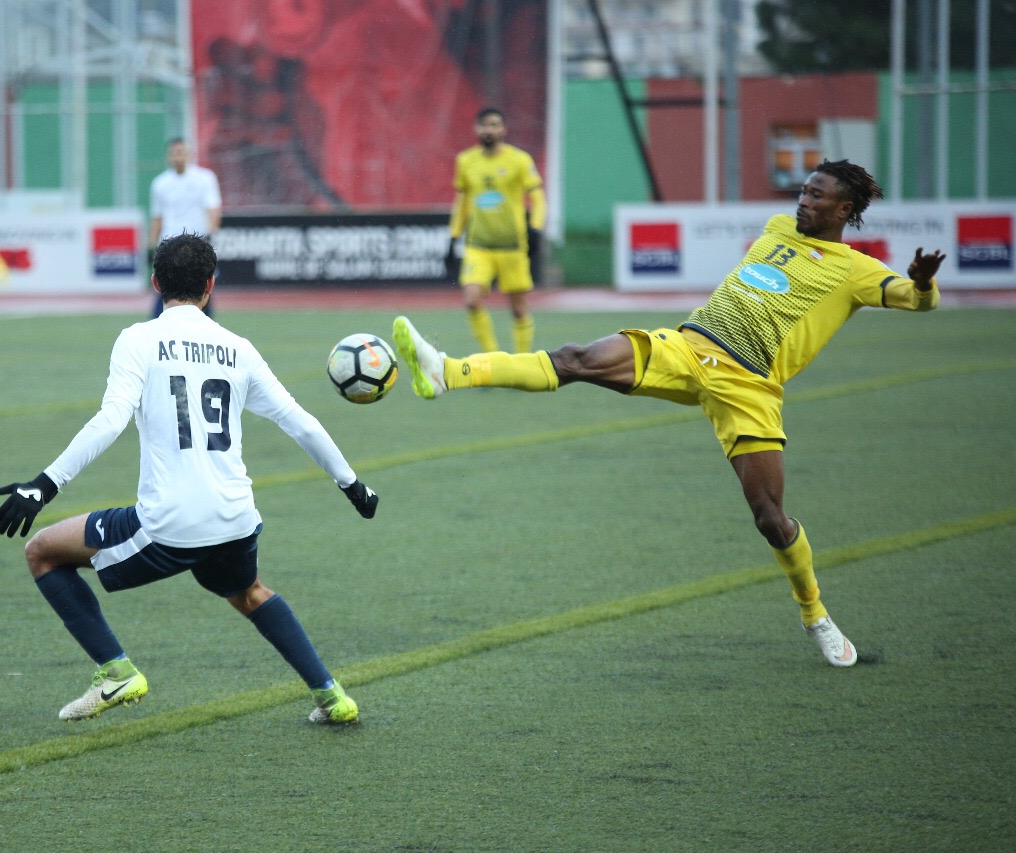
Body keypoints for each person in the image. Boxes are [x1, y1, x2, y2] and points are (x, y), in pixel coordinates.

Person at [395, 160, 947, 668]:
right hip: (688, 346)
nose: (803, 201)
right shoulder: (779, 229)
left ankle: (815, 615)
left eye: (817, 196)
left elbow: (917, 301)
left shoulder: (856, 270)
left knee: (771, 520)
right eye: (803, 190)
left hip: (748, 386)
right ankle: (447, 372)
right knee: (577, 358)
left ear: (844, 210)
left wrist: (921, 282)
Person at [0, 232, 378, 723]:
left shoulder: (138, 339)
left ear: (155, 282)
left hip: (167, 525)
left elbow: (111, 419)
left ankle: (117, 672)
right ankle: (332, 696)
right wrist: (352, 485)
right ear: (210, 286)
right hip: (236, 521)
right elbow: (298, 420)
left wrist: (43, 485)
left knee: (42, 552)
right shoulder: (237, 347)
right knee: (248, 591)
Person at [445, 106, 547, 355]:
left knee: (519, 310)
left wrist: (535, 228)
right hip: (478, 246)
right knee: (471, 301)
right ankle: (492, 357)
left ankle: (523, 362)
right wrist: (453, 237)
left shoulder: (519, 160)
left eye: (493, 125)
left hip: (512, 246)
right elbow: (462, 203)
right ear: (476, 129)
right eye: (483, 125)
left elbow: (538, 199)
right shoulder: (466, 161)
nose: (488, 129)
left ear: (503, 129)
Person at [147, 138, 222, 317]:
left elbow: (214, 210)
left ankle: (206, 331)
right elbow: (157, 218)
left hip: (197, 244)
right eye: (174, 153)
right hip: (170, 245)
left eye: (181, 152)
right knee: (166, 290)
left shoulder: (205, 178)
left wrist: (211, 234)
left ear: (190, 155)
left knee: (201, 290)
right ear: (169, 156)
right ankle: (157, 328)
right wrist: (150, 246)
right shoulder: (160, 184)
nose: (177, 157)